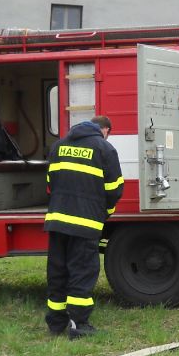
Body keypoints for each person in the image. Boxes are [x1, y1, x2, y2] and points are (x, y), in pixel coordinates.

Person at [44, 115, 124, 339]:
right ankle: (79, 325)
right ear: (104, 130)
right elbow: (114, 189)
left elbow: (50, 183)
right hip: (85, 223)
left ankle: (56, 323)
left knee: (57, 272)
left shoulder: (59, 146)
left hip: (57, 221)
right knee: (82, 272)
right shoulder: (104, 149)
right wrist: (104, 213)